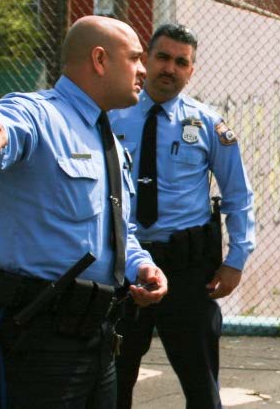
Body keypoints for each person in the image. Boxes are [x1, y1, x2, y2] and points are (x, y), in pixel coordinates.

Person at [0, 16, 168, 408]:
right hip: (36, 339)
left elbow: (117, 229)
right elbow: (7, 127)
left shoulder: (108, 140)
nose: (144, 69)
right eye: (135, 58)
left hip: (97, 336)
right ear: (100, 60)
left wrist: (141, 265)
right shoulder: (40, 114)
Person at [109, 23, 255, 409]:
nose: (169, 68)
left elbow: (238, 195)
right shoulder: (110, 116)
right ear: (145, 60)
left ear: (191, 70)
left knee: (200, 384)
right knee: (111, 383)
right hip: (122, 267)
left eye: (181, 62)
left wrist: (235, 260)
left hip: (188, 271)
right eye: (162, 57)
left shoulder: (207, 124)